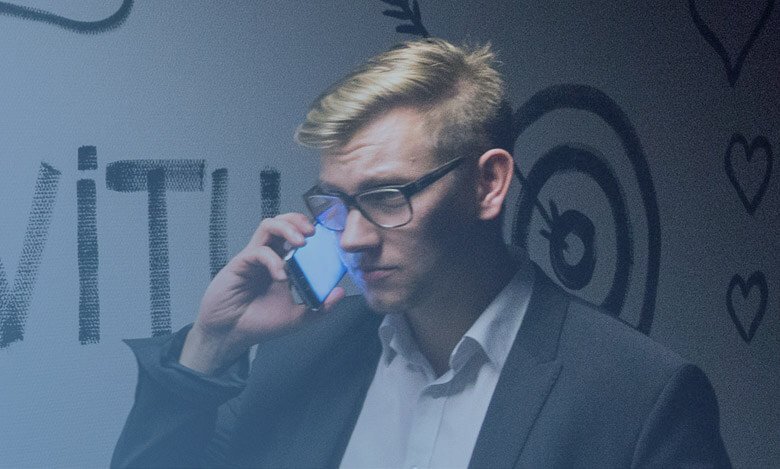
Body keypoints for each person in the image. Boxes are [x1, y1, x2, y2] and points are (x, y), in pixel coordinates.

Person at [112, 38, 731, 468]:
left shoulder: (638, 397)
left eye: (386, 197)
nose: (351, 238)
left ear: (488, 184)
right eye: (335, 204)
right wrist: (211, 346)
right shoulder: (299, 355)